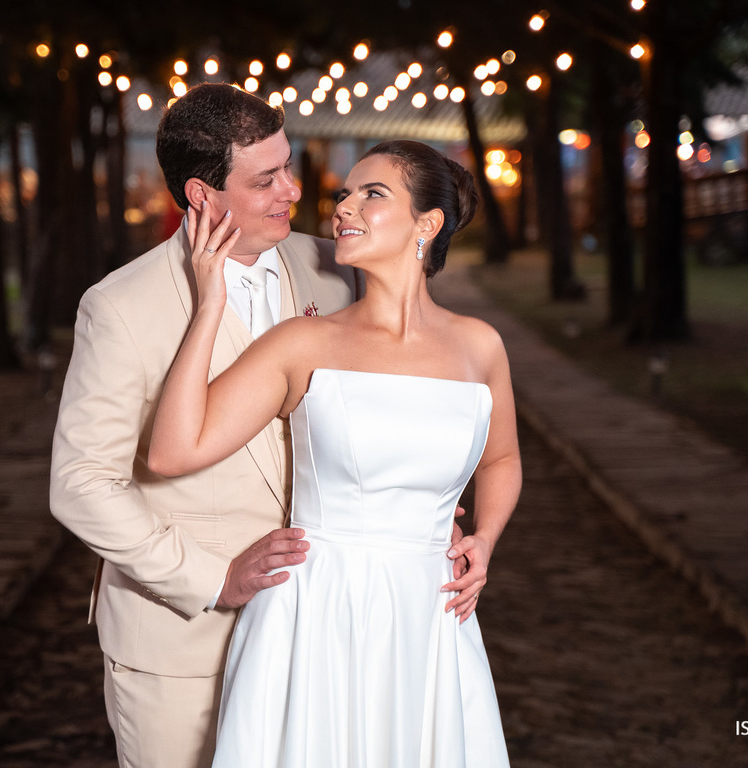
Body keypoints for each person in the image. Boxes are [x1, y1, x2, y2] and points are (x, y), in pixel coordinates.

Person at [148, 140, 521, 767]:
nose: (343, 207)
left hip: (428, 613)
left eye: (372, 194)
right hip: (314, 608)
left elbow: (503, 460)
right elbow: (171, 452)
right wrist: (208, 302)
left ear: (427, 224)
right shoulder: (304, 343)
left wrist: (484, 537)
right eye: (345, 194)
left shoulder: (479, 347)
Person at [50, 83, 363, 768]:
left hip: (319, 631)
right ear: (201, 195)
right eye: (266, 178)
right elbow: (80, 484)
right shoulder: (119, 307)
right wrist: (212, 579)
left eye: (289, 165)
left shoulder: (336, 276)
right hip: (183, 645)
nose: (293, 188)